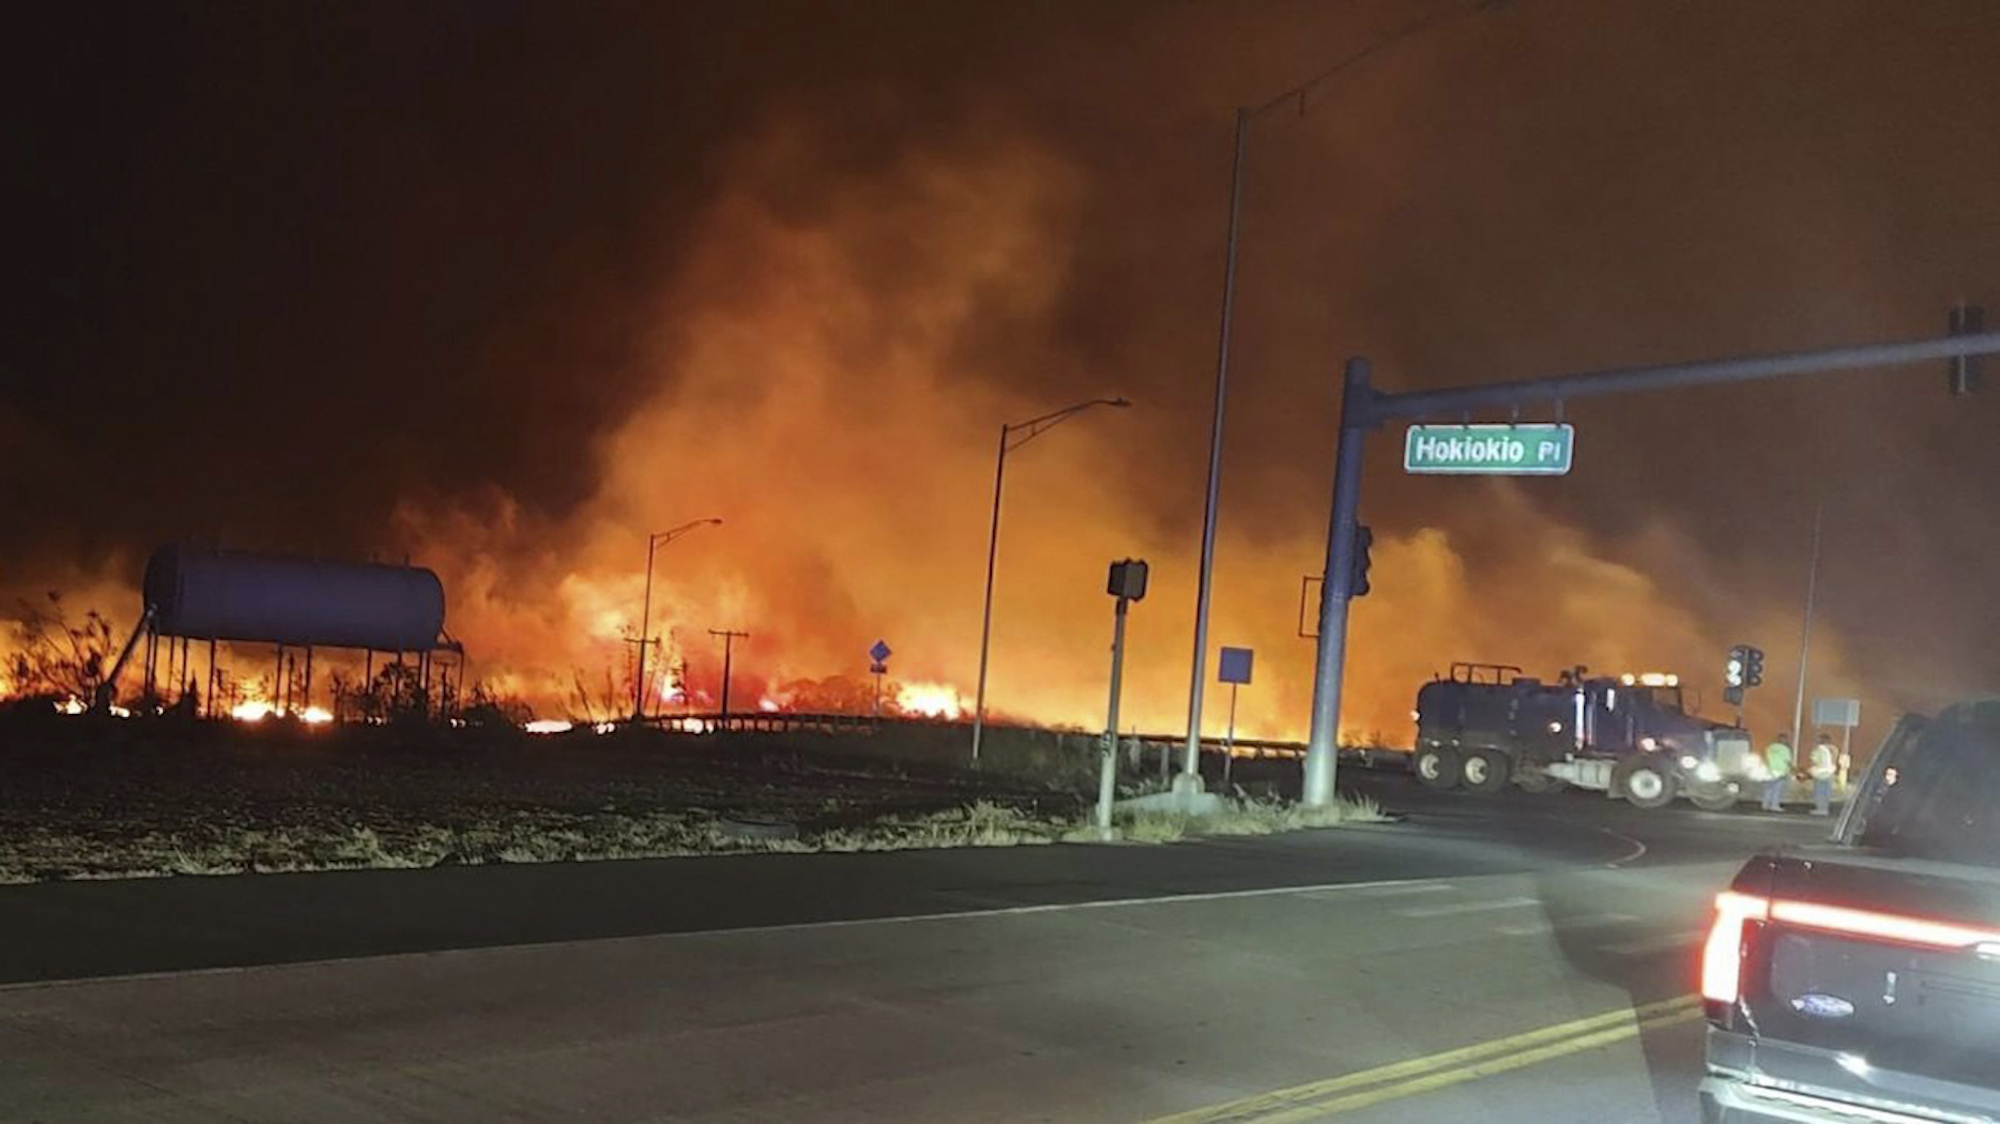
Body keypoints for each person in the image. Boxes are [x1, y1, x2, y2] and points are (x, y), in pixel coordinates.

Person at [1809, 732, 1839, 816]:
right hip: (1830, 772)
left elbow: (1814, 760)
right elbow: (1835, 759)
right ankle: (1825, 808)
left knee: (1819, 791)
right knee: (1827, 792)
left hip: (1820, 773)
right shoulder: (1834, 749)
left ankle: (1820, 808)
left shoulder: (1818, 750)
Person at [1762, 732, 1794, 812]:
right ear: (1785, 740)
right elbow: (1788, 761)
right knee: (1777, 790)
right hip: (1781, 771)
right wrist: (1792, 769)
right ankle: (1774, 805)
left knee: (1768, 789)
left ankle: (1765, 804)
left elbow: (1766, 758)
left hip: (1770, 770)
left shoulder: (1770, 747)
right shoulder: (1785, 749)